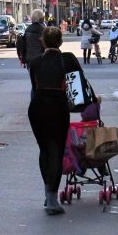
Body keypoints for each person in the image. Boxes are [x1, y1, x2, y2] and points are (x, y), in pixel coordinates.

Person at [28, 27, 83, 215]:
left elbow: (34, 87)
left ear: (43, 41)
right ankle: (52, 200)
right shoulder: (68, 60)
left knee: (44, 149)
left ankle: (48, 194)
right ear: (60, 42)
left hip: (37, 107)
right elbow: (77, 88)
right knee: (57, 150)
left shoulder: (34, 62)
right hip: (57, 106)